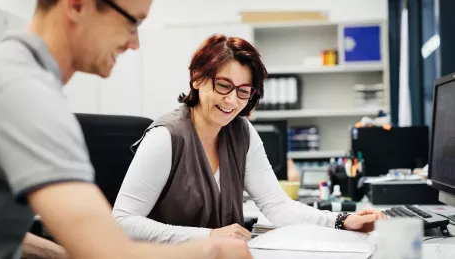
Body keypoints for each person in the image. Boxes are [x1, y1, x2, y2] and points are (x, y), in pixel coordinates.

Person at [0, 1, 252, 259]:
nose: (135, 43)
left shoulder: (10, 74)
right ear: (77, 5)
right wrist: (212, 250)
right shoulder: (23, 92)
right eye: (133, 22)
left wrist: (64, 254)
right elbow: (107, 253)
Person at [112, 34, 387, 244]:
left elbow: (277, 207)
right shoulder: (165, 138)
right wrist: (209, 237)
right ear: (197, 78)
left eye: (244, 92)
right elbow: (122, 222)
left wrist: (341, 220)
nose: (232, 101)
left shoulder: (241, 132)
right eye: (223, 85)